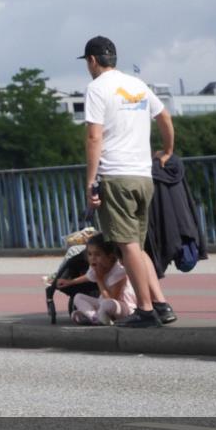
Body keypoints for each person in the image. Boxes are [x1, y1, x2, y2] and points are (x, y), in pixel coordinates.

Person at [81, 36, 176, 328]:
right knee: (137, 246)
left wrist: (91, 180)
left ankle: (145, 310)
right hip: (143, 175)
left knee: (128, 246)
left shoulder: (97, 89)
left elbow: (94, 136)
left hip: (117, 174)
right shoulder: (137, 84)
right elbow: (164, 116)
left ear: (92, 61)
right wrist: (168, 150)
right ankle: (160, 304)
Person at [57, 234, 136, 325]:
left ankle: (94, 317)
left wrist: (100, 279)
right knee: (78, 297)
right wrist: (70, 282)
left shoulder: (119, 271)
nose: (92, 258)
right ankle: (94, 317)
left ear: (110, 257)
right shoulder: (96, 266)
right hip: (103, 303)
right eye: (90, 254)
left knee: (107, 304)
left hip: (123, 307)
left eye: (97, 254)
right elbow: (88, 276)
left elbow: (111, 299)